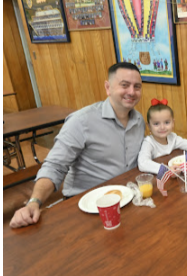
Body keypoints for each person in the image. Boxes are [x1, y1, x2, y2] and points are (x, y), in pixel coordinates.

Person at [9, 64, 144, 229]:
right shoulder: (81, 121)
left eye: (137, 87)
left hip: (125, 199)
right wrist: (34, 202)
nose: (131, 92)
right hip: (85, 207)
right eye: (124, 85)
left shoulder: (138, 121)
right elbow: (55, 166)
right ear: (108, 87)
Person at [136, 99, 187, 175]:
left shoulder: (172, 137)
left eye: (166, 122)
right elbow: (143, 163)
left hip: (177, 175)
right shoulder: (149, 142)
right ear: (149, 126)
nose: (162, 127)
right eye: (156, 124)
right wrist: (166, 170)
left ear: (173, 123)